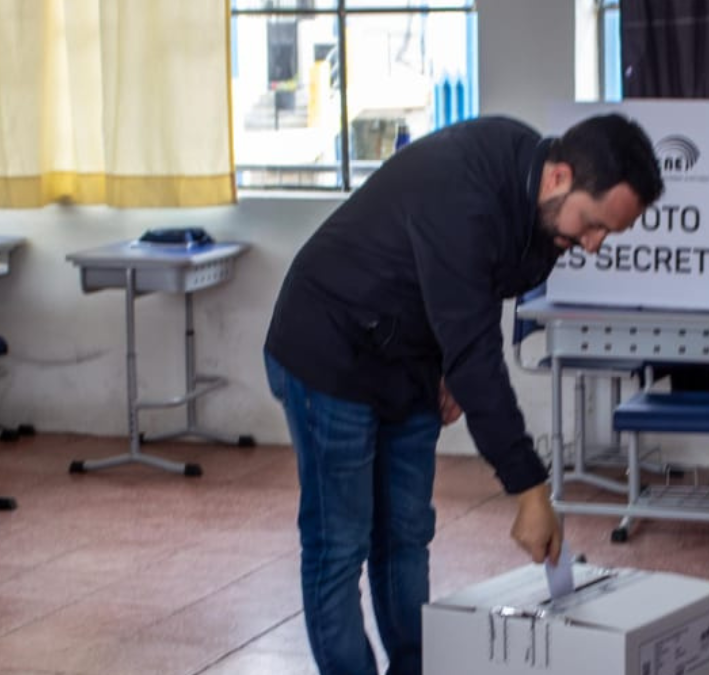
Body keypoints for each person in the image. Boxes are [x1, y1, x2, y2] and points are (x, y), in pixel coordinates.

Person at [263, 113, 664, 675]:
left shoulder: (544, 214)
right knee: (339, 545)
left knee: (404, 534)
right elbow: (478, 356)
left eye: (607, 235)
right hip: (328, 350)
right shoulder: (466, 191)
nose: (594, 246)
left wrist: (447, 363)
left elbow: (467, 297)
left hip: (406, 358)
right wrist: (529, 489)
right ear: (560, 178)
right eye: (593, 226)